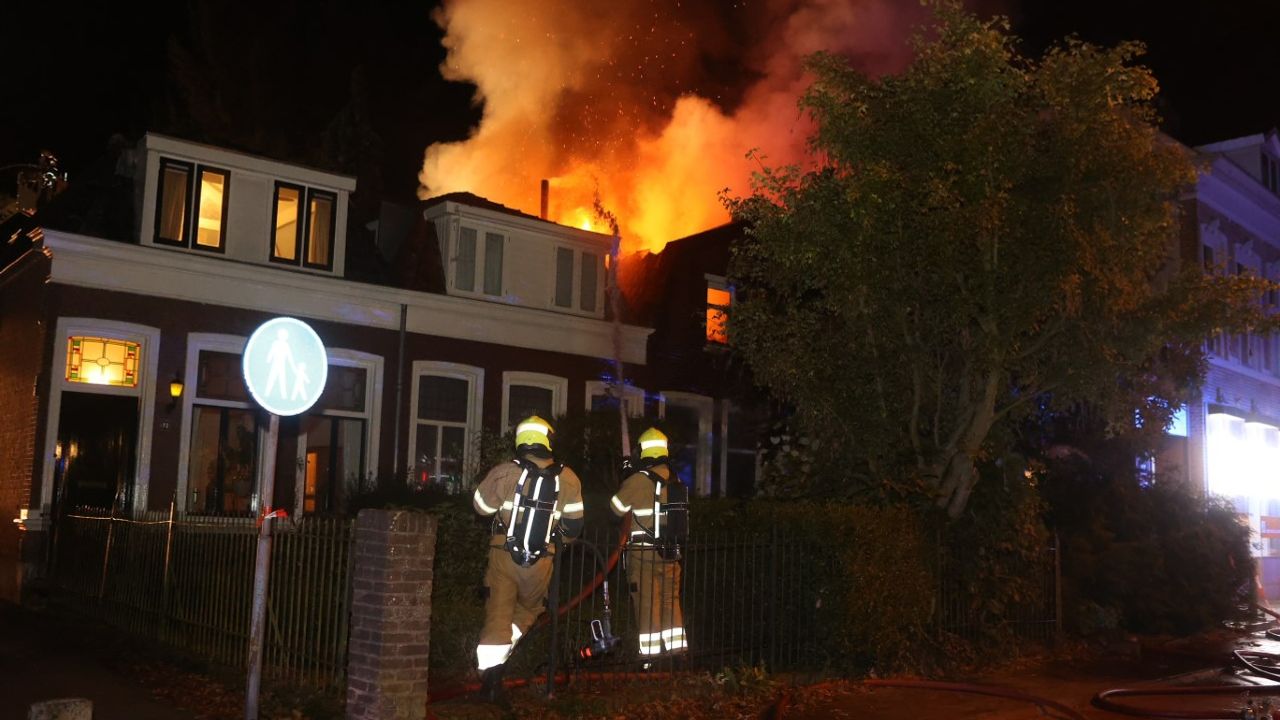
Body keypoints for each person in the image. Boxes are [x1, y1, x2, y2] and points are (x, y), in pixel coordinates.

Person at [471, 415, 585, 705]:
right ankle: (501, 656)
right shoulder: (569, 478)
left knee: (498, 614)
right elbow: (573, 529)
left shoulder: (504, 472)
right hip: (541, 561)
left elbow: (480, 507)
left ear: (520, 441)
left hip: (502, 556)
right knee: (531, 609)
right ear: (548, 440)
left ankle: (491, 681)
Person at [610, 427, 689, 663]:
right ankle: (677, 655)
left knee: (647, 604)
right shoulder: (675, 479)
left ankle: (650, 660)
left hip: (643, 554)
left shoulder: (638, 480)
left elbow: (615, 510)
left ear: (642, 451)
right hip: (671, 553)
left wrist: (625, 479)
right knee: (670, 601)